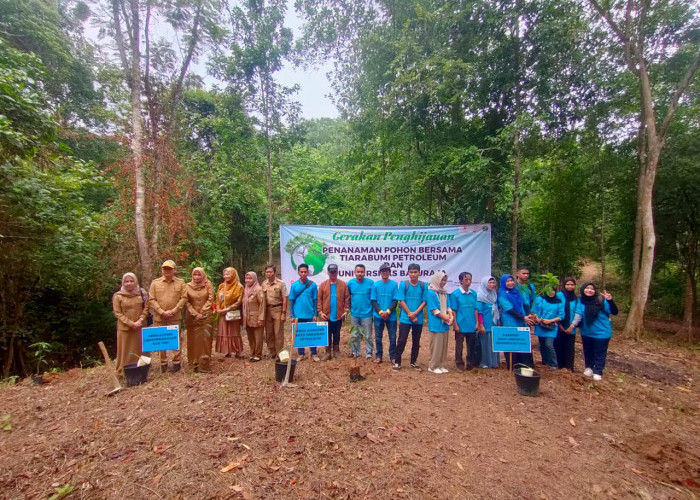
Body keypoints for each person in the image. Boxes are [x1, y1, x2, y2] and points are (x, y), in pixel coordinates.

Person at [571, 282, 618, 381]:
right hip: (586, 332)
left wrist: (610, 300)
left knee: (600, 352)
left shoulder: (601, 300)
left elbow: (614, 312)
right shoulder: (580, 301)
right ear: (583, 289)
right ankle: (589, 367)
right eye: (587, 288)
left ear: (594, 291)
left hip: (602, 332)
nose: (589, 290)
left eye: (592, 289)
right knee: (588, 351)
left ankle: (598, 371)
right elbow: (578, 314)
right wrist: (572, 326)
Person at [148, 260, 188, 372]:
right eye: (165, 269)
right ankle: (163, 363)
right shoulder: (155, 283)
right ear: (162, 270)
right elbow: (151, 299)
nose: (167, 271)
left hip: (174, 317)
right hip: (159, 317)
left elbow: (184, 298)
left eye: (170, 269)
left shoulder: (180, 282)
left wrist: (174, 310)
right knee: (161, 339)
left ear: (175, 270)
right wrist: (161, 311)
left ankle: (176, 362)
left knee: (175, 338)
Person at [112, 272, 149, 374]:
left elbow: (146, 308)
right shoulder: (118, 296)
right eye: (126, 281)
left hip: (140, 327)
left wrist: (140, 320)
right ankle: (124, 371)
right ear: (123, 283)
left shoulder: (142, 293)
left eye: (131, 281)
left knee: (141, 349)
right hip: (125, 329)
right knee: (125, 351)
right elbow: (117, 313)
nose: (129, 283)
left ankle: (143, 369)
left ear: (135, 281)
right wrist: (131, 323)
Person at [393, 263, 428, 370]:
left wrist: (415, 313)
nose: (413, 274)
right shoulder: (404, 284)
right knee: (402, 340)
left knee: (416, 340)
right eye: (411, 272)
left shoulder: (423, 285)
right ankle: (397, 361)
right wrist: (410, 314)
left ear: (419, 273)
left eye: (415, 272)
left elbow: (424, 301)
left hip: (418, 318)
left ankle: (413, 361)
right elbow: (401, 300)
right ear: (408, 273)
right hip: (405, 318)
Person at [497, 274, 536, 369]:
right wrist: (523, 317)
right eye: (507, 281)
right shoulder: (502, 293)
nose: (510, 283)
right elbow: (508, 309)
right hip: (510, 321)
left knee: (523, 342)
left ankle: (526, 365)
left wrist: (528, 315)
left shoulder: (517, 292)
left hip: (521, 320)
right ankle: (513, 365)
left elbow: (524, 304)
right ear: (503, 283)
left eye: (511, 281)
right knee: (511, 343)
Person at [317, 263, 349, 360]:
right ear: (328, 273)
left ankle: (336, 351)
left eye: (334, 272)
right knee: (327, 334)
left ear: (337, 272)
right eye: (331, 272)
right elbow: (319, 299)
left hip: (338, 315)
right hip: (326, 315)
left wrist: (346, 310)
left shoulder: (343, 285)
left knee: (336, 334)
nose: (333, 274)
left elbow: (347, 298)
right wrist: (320, 312)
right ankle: (327, 352)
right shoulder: (323, 285)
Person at [288, 263, 319, 361]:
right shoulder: (294, 285)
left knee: (312, 334)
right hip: (298, 315)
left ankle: (313, 353)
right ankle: (301, 353)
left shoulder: (313, 285)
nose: (303, 273)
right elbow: (292, 301)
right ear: (298, 272)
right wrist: (292, 315)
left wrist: (315, 314)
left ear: (308, 272)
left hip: (310, 314)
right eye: (301, 272)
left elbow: (315, 301)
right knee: (299, 334)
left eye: (305, 272)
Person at [185, 267, 214, 372]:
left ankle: (204, 364)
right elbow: (186, 301)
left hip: (206, 318)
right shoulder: (187, 286)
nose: (197, 277)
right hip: (192, 318)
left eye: (199, 275)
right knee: (193, 341)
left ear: (203, 275)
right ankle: (194, 363)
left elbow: (211, 298)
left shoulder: (207, 284)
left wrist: (203, 311)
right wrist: (195, 313)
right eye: (194, 275)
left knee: (205, 340)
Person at [450, 272, 480, 371]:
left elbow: (476, 309)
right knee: (459, 345)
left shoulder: (473, 293)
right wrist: (455, 324)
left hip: (471, 323)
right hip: (460, 323)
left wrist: (477, 323)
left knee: (471, 344)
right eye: (466, 280)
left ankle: (469, 362)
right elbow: (453, 310)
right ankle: (459, 362)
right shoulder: (455, 294)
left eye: (469, 280)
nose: (468, 282)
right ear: (460, 281)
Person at [427, 272, 454, 374]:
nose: (443, 282)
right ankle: (433, 366)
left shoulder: (444, 292)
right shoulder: (431, 292)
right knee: (436, 345)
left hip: (445, 323)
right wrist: (446, 318)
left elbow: (448, 306)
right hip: (436, 323)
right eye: (441, 280)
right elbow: (434, 310)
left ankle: (442, 364)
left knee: (444, 345)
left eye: (444, 280)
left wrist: (451, 316)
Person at [371, 263, 398, 364]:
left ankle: (393, 357)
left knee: (392, 337)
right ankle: (379, 356)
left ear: (389, 273)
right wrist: (381, 312)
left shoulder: (394, 285)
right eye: (383, 271)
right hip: (378, 315)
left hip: (391, 316)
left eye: (387, 271)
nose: (385, 273)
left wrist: (388, 312)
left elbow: (395, 300)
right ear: (380, 273)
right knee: (378, 337)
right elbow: (373, 301)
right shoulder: (375, 285)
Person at [215, 267, 244, 358]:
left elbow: (238, 302)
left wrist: (227, 309)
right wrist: (218, 308)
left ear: (233, 275)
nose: (226, 276)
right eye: (225, 274)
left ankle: (237, 351)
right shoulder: (221, 286)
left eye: (228, 274)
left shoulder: (239, 287)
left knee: (234, 332)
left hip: (233, 313)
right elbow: (217, 299)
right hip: (222, 313)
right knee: (224, 331)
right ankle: (227, 351)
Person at [532, 289, 565, 370]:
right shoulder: (540, 299)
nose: (551, 292)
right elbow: (534, 310)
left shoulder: (559, 301)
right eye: (549, 290)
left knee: (548, 345)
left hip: (551, 327)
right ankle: (545, 361)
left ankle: (553, 364)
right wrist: (537, 319)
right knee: (542, 345)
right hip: (541, 325)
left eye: (553, 290)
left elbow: (561, 315)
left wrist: (550, 320)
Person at [347, 264, 375, 358]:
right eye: (358, 272)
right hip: (354, 314)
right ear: (355, 272)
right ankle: (356, 352)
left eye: (362, 272)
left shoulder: (370, 283)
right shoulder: (350, 283)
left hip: (367, 314)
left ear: (364, 272)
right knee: (355, 335)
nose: (360, 274)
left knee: (367, 335)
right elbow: (347, 297)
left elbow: (373, 298)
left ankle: (369, 353)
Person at [261, 264, 288, 357]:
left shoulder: (281, 284)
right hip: (267, 310)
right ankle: (272, 351)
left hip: (278, 309)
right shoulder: (264, 284)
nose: (269, 274)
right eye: (267, 272)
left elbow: (285, 299)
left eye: (270, 272)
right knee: (269, 333)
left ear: (275, 272)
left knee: (278, 333)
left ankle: (280, 352)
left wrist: (284, 313)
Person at [476, 276, 500, 368]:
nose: (492, 285)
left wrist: (498, 321)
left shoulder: (494, 294)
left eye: (493, 283)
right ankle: (485, 362)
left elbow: (497, 309)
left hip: (494, 323)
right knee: (485, 343)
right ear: (485, 284)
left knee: (494, 343)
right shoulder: (480, 295)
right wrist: (481, 325)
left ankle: (494, 362)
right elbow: (479, 312)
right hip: (485, 323)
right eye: (490, 283)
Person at [554, 277, 578, 371]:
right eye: (568, 284)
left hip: (571, 327)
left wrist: (572, 326)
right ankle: (558, 365)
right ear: (564, 285)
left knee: (569, 347)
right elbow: (555, 310)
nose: (570, 286)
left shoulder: (576, 298)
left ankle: (569, 367)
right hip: (558, 326)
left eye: (572, 284)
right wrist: (559, 325)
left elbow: (577, 313)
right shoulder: (559, 295)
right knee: (558, 345)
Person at [242, 271, 266, 362]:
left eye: (250, 278)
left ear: (254, 279)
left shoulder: (258, 289)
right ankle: (252, 352)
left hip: (256, 317)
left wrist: (261, 318)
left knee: (258, 337)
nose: (248, 280)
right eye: (247, 278)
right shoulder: (245, 289)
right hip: (247, 317)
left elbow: (262, 305)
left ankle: (258, 354)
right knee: (250, 336)